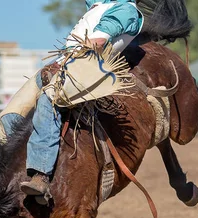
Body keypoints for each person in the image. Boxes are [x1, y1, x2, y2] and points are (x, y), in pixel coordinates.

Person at [18, 0, 144, 202]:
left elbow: (99, 40)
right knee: (13, 115)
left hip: (89, 67)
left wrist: (66, 60)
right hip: (68, 62)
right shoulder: (100, 5)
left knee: (49, 100)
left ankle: (41, 174)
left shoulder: (126, 9)